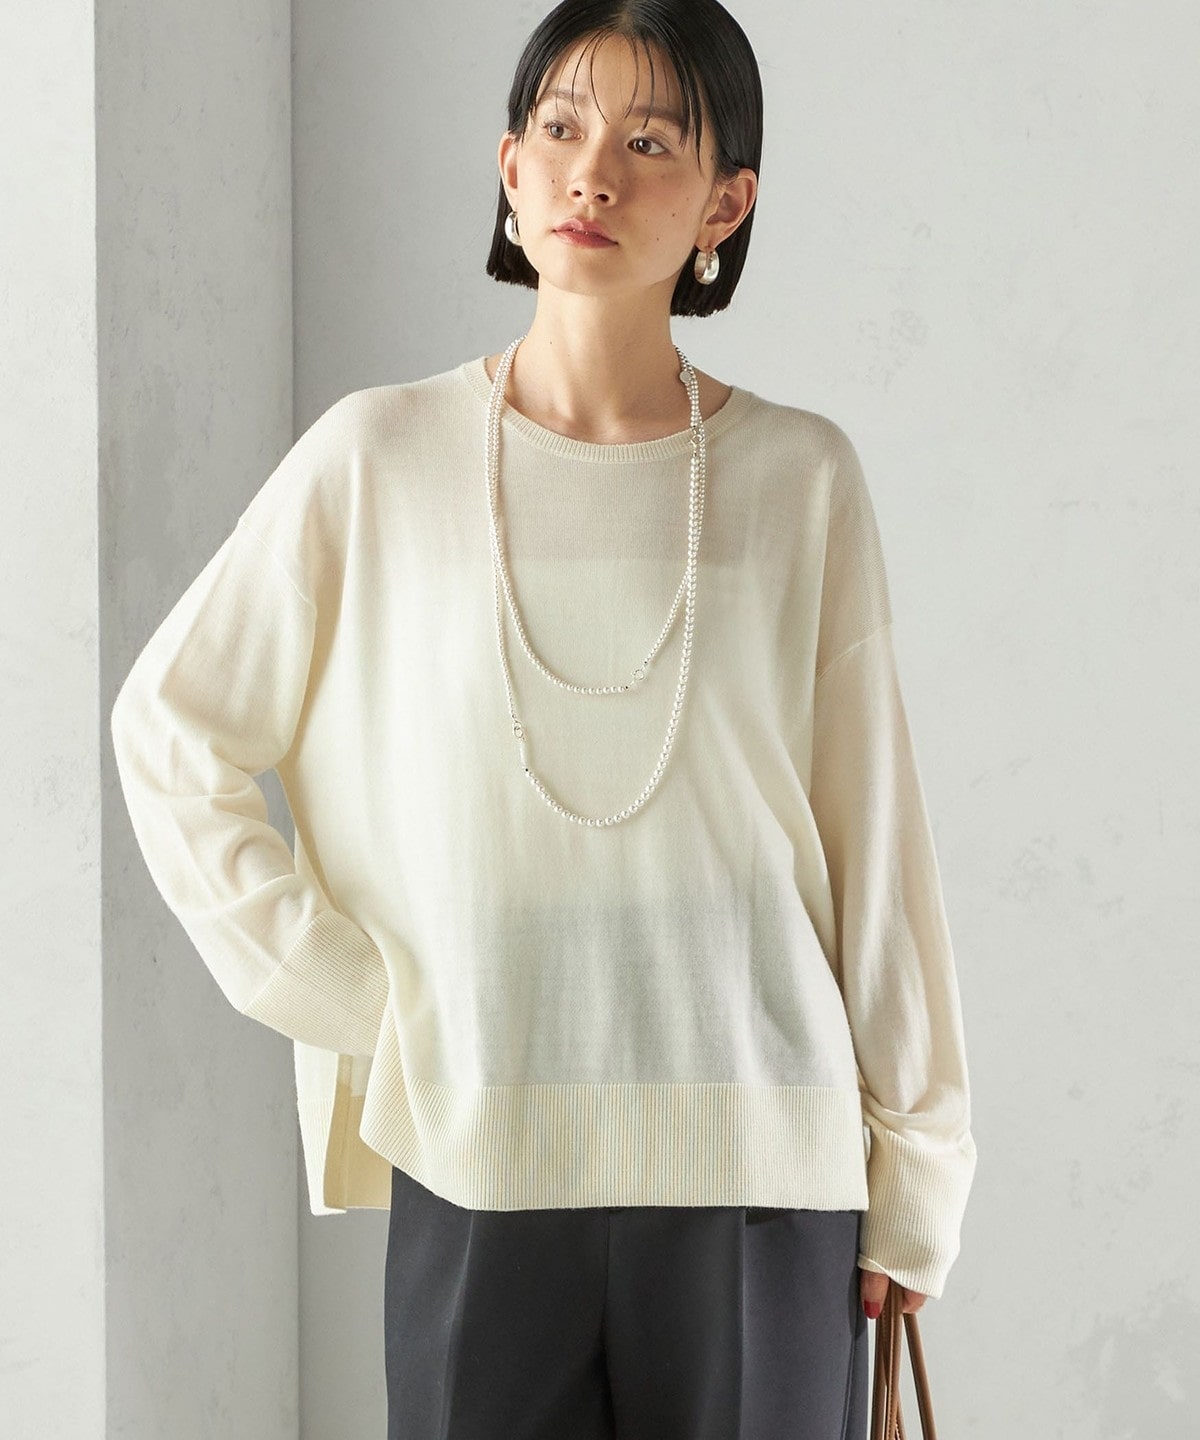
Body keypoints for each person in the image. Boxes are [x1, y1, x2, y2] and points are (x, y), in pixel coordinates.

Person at [109, 0, 977, 1436]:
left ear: (726, 203)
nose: (594, 175)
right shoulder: (377, 458)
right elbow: (171, 730)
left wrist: (920, 1168)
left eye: (651, 142)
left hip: (761, 1167)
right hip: (481, 1147)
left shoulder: (801, 478)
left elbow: (875, 841)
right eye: (562, 130)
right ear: (510, 167)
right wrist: (357, 995)